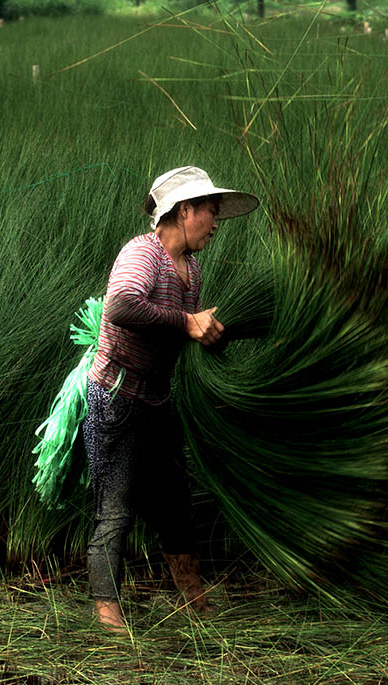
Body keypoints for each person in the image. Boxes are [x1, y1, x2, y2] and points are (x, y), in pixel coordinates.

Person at [83, 166, 258, 632]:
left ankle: (192, 596)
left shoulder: (192, 269)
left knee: (176, 499)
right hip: (115, 398)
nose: (217, 223)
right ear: (185, 211)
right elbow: (120, 305)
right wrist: (187, 324)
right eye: (211, 212)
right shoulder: (143, 254)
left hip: (157, 399)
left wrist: (210, 334)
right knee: (115, 504)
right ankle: (107, 609)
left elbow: (180, 327)